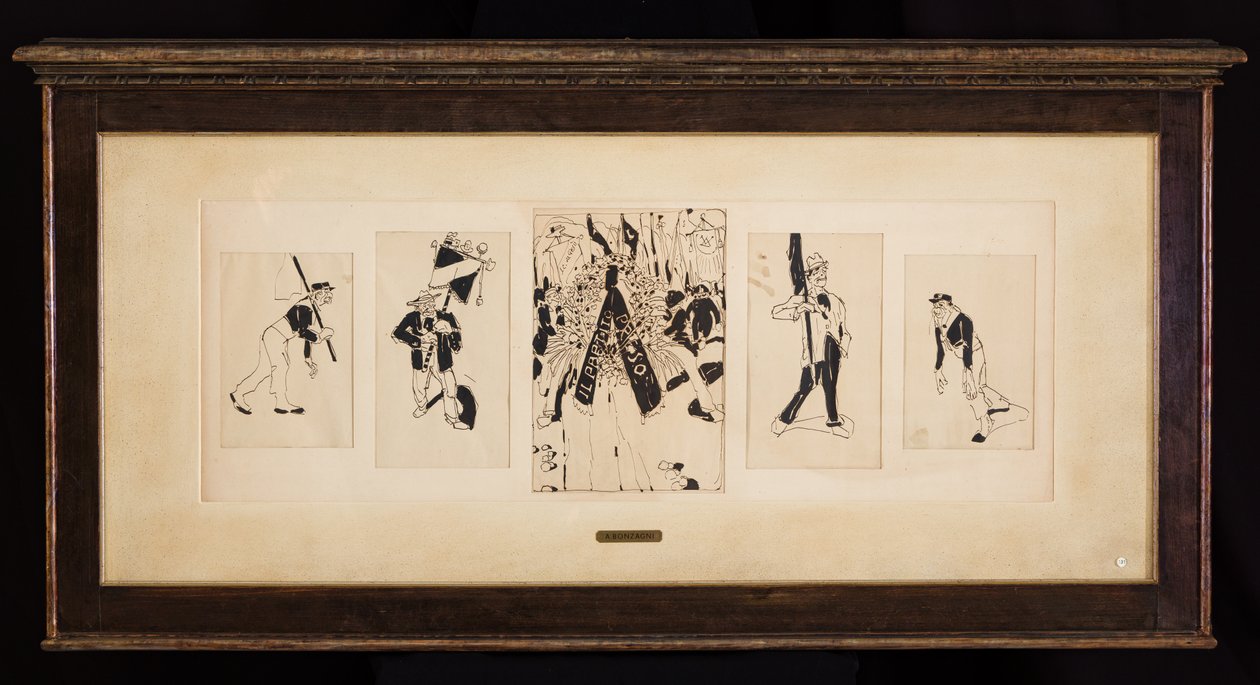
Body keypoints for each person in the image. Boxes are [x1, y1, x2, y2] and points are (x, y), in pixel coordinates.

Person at [770, 253, 851, 437]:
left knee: (831, 385)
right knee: (807, 385)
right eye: (816, 272)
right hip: (814, 351)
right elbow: (775, 312)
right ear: (809, 277)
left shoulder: (836, 301)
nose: (821, 275)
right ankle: (783, 420)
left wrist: (843, 347)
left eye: (823, 272)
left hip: (833, 348)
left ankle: (833, 421)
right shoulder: (801, 299)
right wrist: (798, 311)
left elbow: (843, 329)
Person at [929, 293, 1027, 443]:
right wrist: (938, 370)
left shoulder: (964, 320)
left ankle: (986, 423)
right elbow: (940, 349)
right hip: (963, 356)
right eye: (935, 305)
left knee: (972, 391)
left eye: (941, 305)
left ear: (950, 305)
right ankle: (1002, 404)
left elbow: (967, 350)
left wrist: (969, 375)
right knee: (981, 386)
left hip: (974, 354)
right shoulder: (938, 322)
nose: (937, 308)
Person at [230, 282, 335, 415]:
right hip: (275, 336)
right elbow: (303, 332)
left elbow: (306, 333)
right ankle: (281, 402)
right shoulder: (305, 307)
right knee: (281, 366)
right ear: (316, 294)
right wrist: (320, 337)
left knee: (264, 370)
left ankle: (239, 393)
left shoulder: (310, 308)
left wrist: (308, 358)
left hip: (277, 337)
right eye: (324, 294)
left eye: (328, 293)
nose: (327, 297)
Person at [391, 290, 469, 430]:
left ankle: (453, 418)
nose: (428, 307)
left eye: (430, 303)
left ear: (434, 303)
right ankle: (422, 406)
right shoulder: (411, 317)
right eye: (424, 305)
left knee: (450, 388)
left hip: (442, 358)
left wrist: (450, 331)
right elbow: (397, 333)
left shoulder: (446, 317)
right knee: (419, 388)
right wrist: (420, 340)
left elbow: (457, 346)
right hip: (421, 358)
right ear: (418, 307)